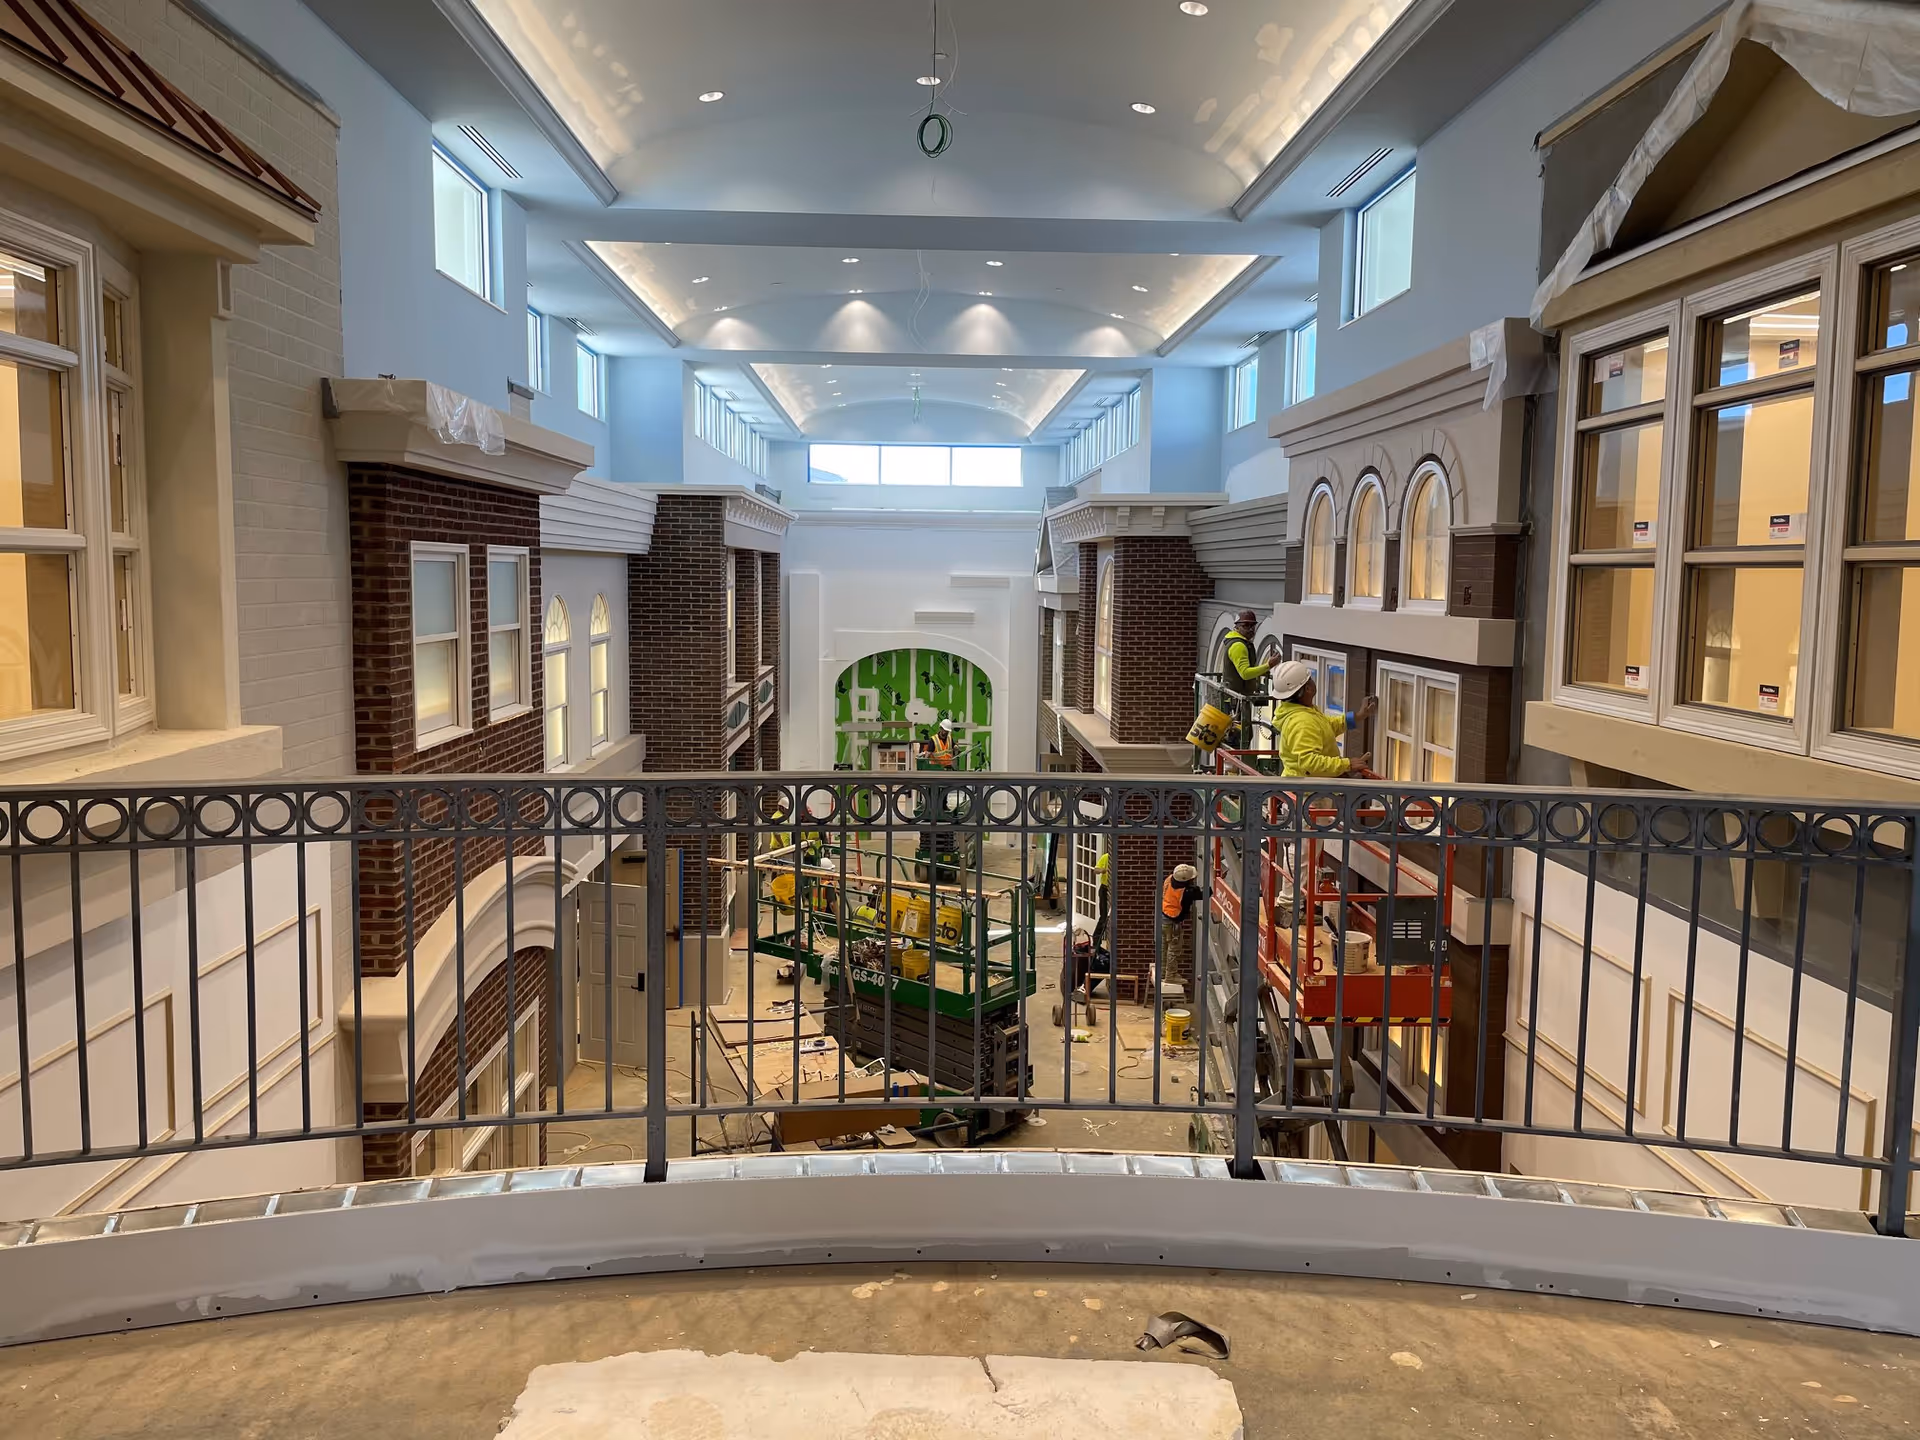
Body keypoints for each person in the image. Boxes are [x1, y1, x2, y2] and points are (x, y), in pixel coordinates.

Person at [1268, 659, 1379, 779]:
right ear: (1308, 689)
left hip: (1307, 790)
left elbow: (1326, 727)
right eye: (1309, 679)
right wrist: (1347, 765)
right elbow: (1310, 763)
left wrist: (1358, 716)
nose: (1312, 681)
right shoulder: (1302, 721)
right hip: (1310, 794)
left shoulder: (1301, 712)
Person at [1160, 861, 1206, 986]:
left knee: (1164, 948)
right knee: (1174, 949)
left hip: (1163, 918)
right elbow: (1203, 894)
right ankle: (1170, 976)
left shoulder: (1169, 879)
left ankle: (1163, 972)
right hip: (1172, 922)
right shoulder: (1184, 893)